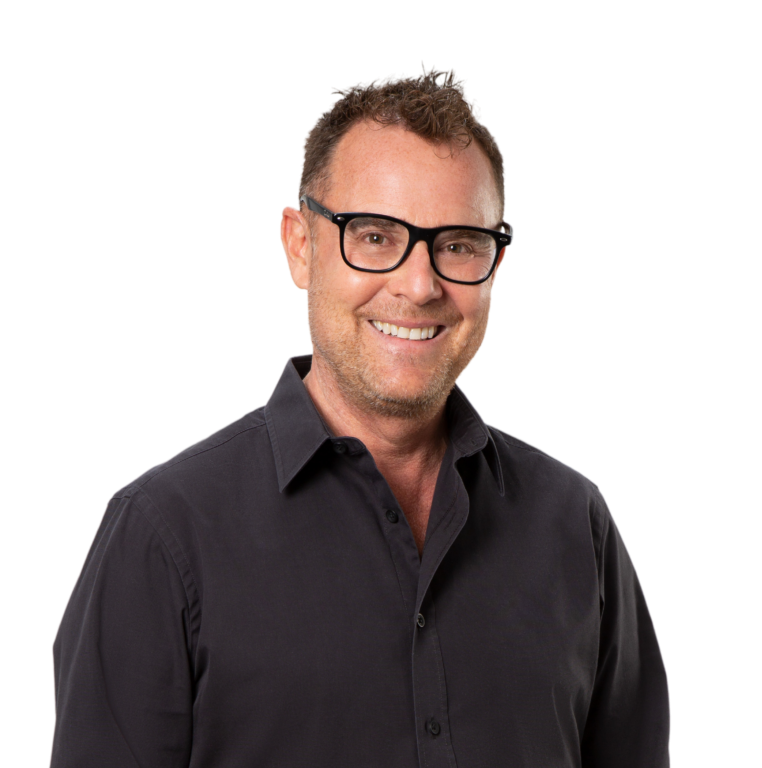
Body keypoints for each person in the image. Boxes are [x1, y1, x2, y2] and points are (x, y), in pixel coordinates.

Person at [50, 65, 671, 766]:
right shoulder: (161, 533)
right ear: (299, 245)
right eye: (374, 236)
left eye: (458, 243)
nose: (419, 284)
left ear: (495, 266)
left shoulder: (577, 524)